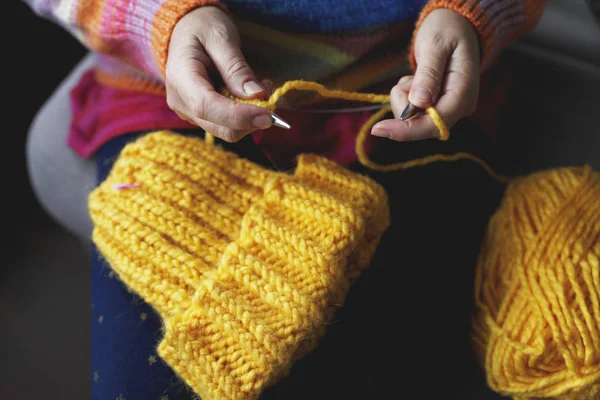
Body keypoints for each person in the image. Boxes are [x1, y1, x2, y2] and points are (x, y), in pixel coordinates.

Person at [24, 1, 548, 399]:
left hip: (410, 98)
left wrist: (475, 15)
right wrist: (154, 17)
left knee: (414, 361)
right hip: (168, 91)